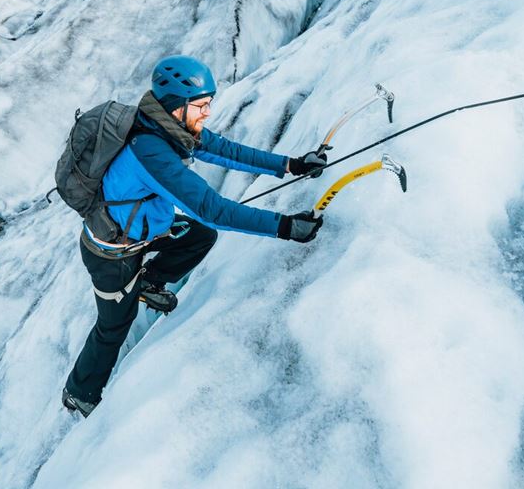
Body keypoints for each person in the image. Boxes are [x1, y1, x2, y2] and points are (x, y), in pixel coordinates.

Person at [62, 55, 327, 417]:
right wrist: (284, 227)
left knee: (198, 236)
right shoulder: (150, 151)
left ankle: (149, 283)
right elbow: (212, 208)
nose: (206, 113)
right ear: (177, 106)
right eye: (201, 106)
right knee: (113, 327)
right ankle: (80, 391)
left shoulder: (164, 127)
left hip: (147, 230)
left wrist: (290, 164)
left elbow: (224, 150)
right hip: (112, 254)